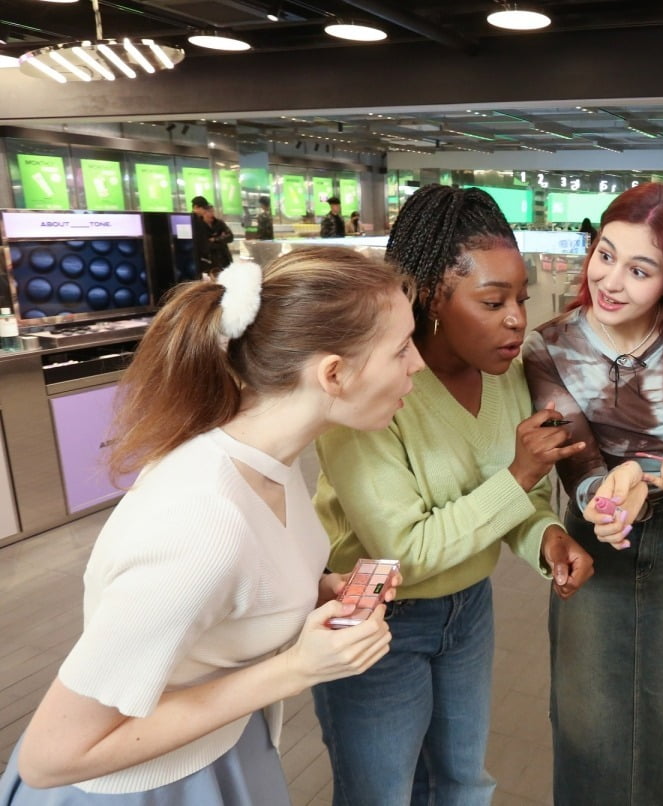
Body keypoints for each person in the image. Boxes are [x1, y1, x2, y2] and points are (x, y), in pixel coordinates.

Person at [0, 248, 422, 803]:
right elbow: (51, 755)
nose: (417, 364)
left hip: (220, 747)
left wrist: (316, 593)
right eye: (402, 348)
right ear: (334, 374)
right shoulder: (200, 524)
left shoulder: (270, 459)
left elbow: (233, 596)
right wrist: (296, 670)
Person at [310, 184, 595, 805]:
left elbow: (519, 496)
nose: (518, 318)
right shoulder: (367, 394)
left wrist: (545, 536)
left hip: (468, 611)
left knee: (463, 781)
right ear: (429, 297)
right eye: (492, 302)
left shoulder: (508, 376)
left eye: (519, 297)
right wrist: (519, 478)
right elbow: (403, 551)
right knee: (384, 793)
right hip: (375, 617)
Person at [523, 182, 663, 805]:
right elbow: (578, 459)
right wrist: (605, 498)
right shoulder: (550, 345)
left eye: (639, 269)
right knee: (587, 710)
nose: (610, 281)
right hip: (595, 537)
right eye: (605, 254)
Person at [201, 205, 234, 278]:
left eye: (213, 211)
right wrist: (221, 239)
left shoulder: (219, 223)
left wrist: (215, 239)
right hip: (209, 261)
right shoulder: (200, 226)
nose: (212, 214)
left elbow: (230, 237)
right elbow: (205, 244)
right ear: (203, 213)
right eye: (209, 212)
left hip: (224, 259)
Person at [189, 195, 212, 279]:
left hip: (199, 257)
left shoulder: (199, 219)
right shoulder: (193, 220)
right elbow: (199, 239)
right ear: (196, 207)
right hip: (197, 257)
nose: (205, 211)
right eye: (203, 208)